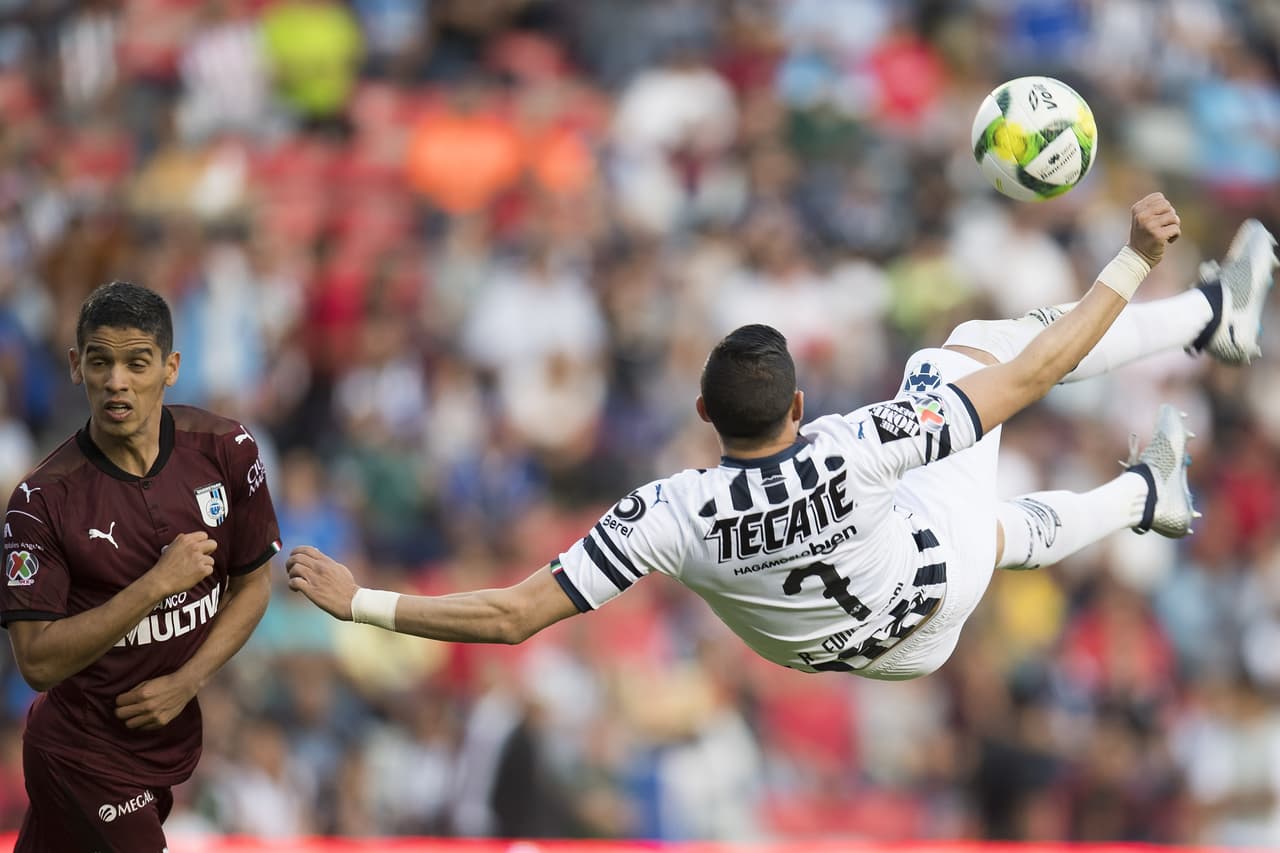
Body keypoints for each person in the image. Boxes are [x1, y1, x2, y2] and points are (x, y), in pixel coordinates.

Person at [286, 194, 1277, 682]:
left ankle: (1144, 496)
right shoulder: (857, 441)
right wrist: (1131, 260)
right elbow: (1028, 375)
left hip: (868, 657)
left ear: (703, 418)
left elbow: (508, 616)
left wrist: (359, 603)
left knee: (988, 518)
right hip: (929, 585)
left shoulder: (667, 514)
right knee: (973, 349)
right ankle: (1207, 317)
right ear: (797, 406)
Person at [1, 281, 282, 850]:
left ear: (171, 366)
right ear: (77, 367)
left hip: (161, 743)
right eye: (100, 362)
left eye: (137, 362)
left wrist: (188, 680)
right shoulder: (41, 502)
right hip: (79, 753)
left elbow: (253, 586)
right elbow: (36, 662)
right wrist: (156, 584)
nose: (116, 380)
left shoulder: (229, 450)